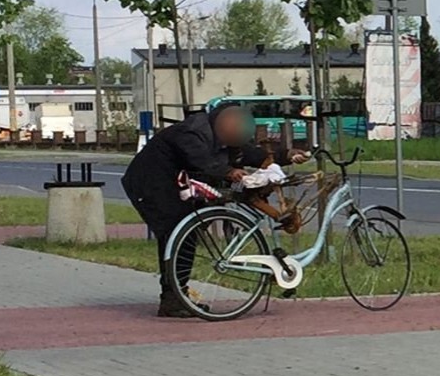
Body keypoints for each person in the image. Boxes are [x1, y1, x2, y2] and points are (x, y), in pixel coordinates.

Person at [121, 103, 310, 318]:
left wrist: (286, 155)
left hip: (177, 185)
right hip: (151, 183)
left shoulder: (224, 139)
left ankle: (175, 295)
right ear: (221, 120)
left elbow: (249, 154)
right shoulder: (192, 132)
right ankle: (173, 296)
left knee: (186, 235)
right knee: (175, 233)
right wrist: (229, 172)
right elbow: (200, 160)